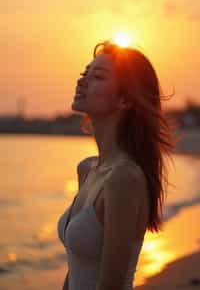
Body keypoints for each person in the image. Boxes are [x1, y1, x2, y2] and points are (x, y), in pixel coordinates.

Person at [57, 40, 177, 290]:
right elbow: (75, 269)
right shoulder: (88, 169)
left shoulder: (124, 178)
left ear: (124, 100)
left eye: (97, 76)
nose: (82, 81)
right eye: (84, 74)